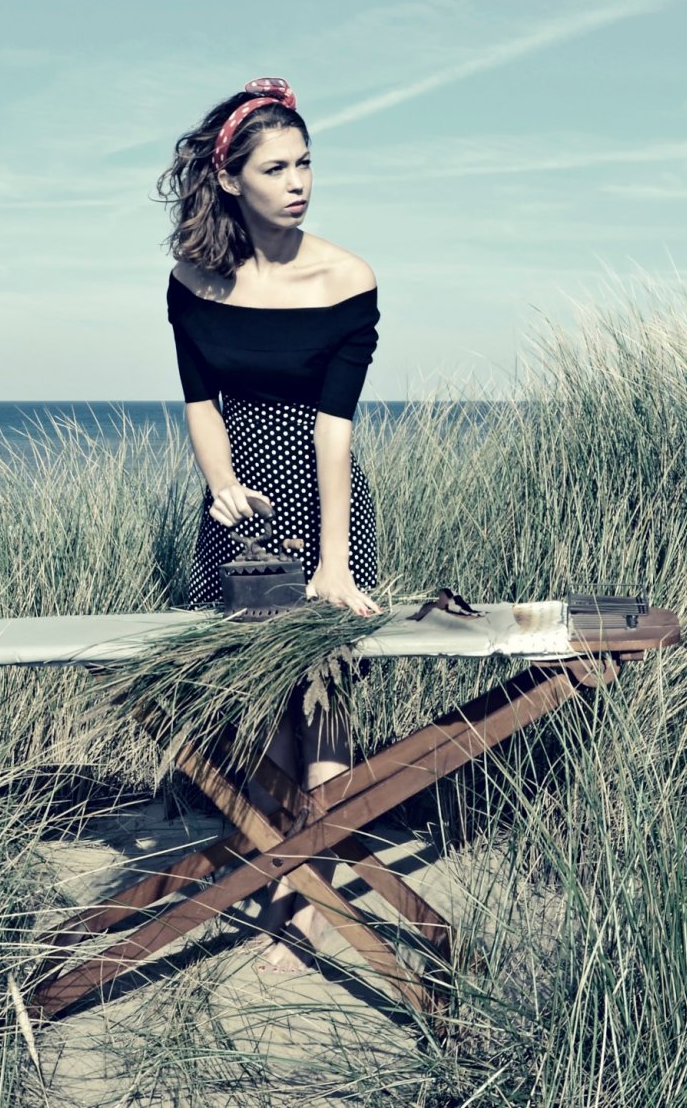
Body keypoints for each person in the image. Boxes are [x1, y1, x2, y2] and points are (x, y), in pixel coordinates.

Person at [159, 77, 384, 974]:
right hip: (237, 509)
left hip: (323, 497)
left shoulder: (347, 278)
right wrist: (218, 483)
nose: (299, 182)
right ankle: (279, 861)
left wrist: (334, 562)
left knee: (321, 690)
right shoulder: (191, 279)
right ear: (230, 181)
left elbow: (336, 429)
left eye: (306, 164)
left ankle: (307, 891)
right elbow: (198, 400)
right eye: (277, 167)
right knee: (263, 694)